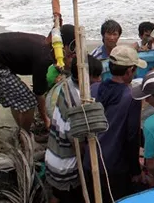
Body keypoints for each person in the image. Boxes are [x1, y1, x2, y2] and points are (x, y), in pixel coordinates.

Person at [0, 25, 75, 131]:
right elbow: (39, 94)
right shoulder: (44, 58)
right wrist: (46, 119)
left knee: (17, 98)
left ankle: (21, 126)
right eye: (72, 48)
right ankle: (25, 133)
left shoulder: (46, 45)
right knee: (29, 102)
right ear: (63, 47)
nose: (72, 54)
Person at [85, 46, 148, 201]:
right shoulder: (131, 98)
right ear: (129, 71)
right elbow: (132, 137)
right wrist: (135, 171)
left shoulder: (93, 89)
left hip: (89, 162)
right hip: (113, 169)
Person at [45, 54, 103, 203]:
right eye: (96, 76)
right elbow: (75, 141)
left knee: (57, 196)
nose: (99, 80)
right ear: (86, 76)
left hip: (52, 156)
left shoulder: (67, 84)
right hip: (66, 167)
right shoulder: (78, 101)